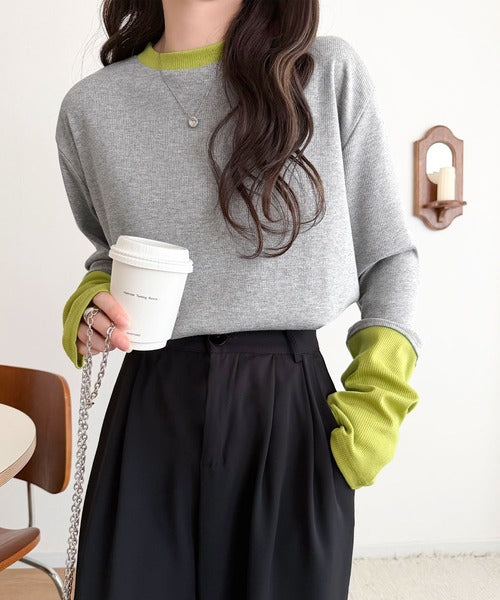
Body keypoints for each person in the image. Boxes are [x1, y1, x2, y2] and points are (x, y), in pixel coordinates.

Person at [56, 1, 422, 598]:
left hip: (290, 415)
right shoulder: (91, 107)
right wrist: (90, 306)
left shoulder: (322, 72)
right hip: (151, 411)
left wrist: (376, 409)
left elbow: (388, 258)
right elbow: (110, 256)